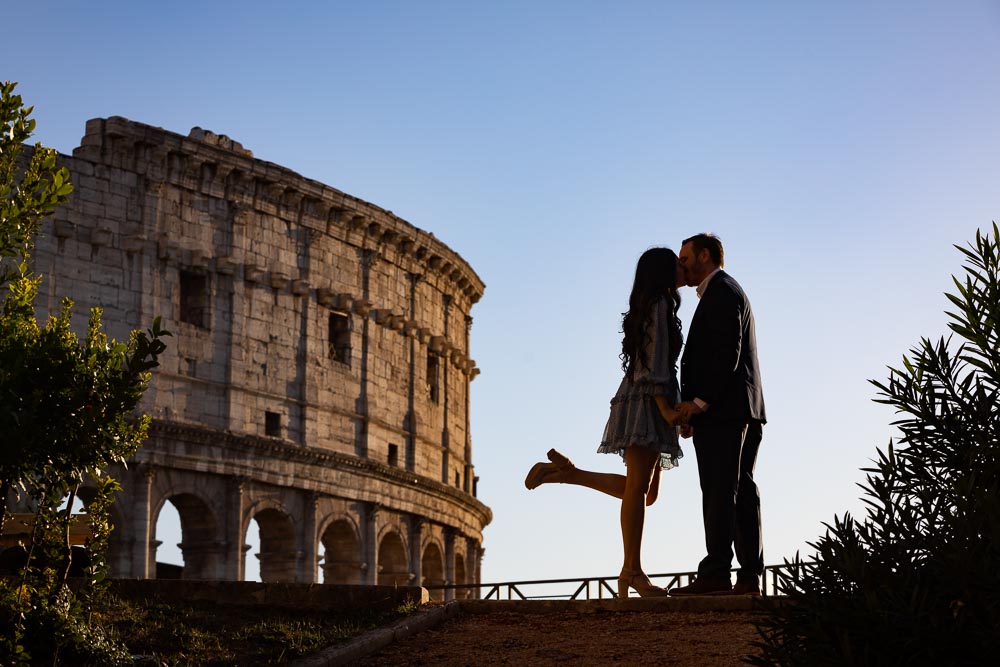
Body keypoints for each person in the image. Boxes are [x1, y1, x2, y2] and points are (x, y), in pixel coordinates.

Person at [524, 247, 686, 598]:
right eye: (677, 262)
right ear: (663, 271)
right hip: (649, 399)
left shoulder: (655, 304)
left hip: (647, 396)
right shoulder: (658, 304)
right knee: (639, 490)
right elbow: (654, 363)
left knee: (646, 493)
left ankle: (567, 474)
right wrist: (668, 409)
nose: (682, 266)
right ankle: (633, 570)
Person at [670, 233, 766, 596]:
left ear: (705, 255)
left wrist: (699, 403)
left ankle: (716, 573)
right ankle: (747, 577)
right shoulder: (726, 290)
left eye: (686, 257)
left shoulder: (722, 291)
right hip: (742, 408)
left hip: (726, 410)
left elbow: (727, 351)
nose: (682, 265)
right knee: (739, 490)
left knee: (720, 490)